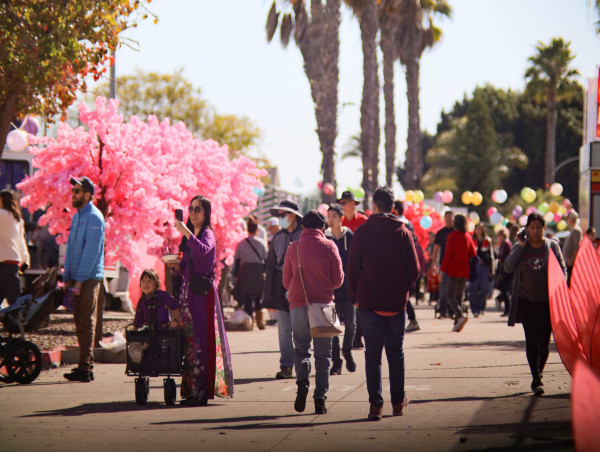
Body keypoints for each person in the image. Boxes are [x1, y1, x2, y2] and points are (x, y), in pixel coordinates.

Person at [346, 186, 420, 421]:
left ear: (374, 206)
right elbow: (415, 270)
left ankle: (375, 406)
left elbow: (352, 269)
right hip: (396, 304)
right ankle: (397, 403)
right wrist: (402, 289)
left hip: (368, 303)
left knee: (372, 355)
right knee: (395, 353)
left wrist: (355, 297)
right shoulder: (404, 232)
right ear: (393, 207)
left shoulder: (362, 232)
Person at [171, 195, 234, 405]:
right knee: (189, 342)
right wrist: (176, 268)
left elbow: (203, 250)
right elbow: (189, 264)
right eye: (191, 208)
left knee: (200, 341)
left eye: (198, 209)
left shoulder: (207, 234)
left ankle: (200, 392)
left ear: (206, 212)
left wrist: (185, 231)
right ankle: (190, 390)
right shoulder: (191, 236)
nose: (193, 212)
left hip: (202, 296)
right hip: (188, 295)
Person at [282, 210, 343, 415]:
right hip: (325, 305)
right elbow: (338, 280)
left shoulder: (294, 247)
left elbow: (285, 281)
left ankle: (302, 381)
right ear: (322, 227)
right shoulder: (330, 245)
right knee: (324, 355)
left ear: (303, 227)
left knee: (301, 349)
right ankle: (320, 398)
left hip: (298, 305)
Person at [504, 212, 567, 396]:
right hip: (526, 301)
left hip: (548, 302)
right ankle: (537, 379)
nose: (536, 231)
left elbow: (563, 269)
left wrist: (561, 285)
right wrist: (520, 246)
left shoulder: (552, 246)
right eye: (532, 227)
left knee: (544, 343)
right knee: (531, 340)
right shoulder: (521, 247)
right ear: (526, 229)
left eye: (539, 227)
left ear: (544, 228)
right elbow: (508, 267)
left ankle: (539, 370)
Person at [62, 177, 105, 383]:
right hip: (76, 278)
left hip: (88, 279)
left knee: (86, 322)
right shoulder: (77, 217)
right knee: (79, 321)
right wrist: (67, 277)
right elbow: (70, 249)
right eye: (73, 191)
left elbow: (91, 252)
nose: (73, 194)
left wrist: (78, 280)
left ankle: (85, 369)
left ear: (88, 195)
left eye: (77, 191)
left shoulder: (95, 217)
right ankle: (84, 365)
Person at [263, 199, 303, 379]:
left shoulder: (304, 235)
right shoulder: (277, 237)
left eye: (284, 215)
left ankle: (303, 364)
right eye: (280, 215)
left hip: (300, 284)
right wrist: (269, 291)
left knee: (301, 330)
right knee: (284, 330)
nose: (281, 219)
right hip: (280, 285)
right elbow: (270, 265)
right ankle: (286, 366)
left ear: (293, 216)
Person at [325, 203, 356, 375]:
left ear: (341, 218)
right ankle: (336, 363)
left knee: (351, 325)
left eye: (334, 216)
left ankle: (347, 352)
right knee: (333, 329)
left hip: (349, 290)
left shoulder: (350, 237)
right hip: (331, 292)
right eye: (328, 216)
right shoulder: (325, 237)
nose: (330, 220)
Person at [337, 191, 368, 349]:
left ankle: (358, 336)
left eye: (344, 203)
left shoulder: (364, 221)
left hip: (362, 268)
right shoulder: (339, 222)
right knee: (349, 303)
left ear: (353, 204)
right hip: (344, 269)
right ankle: (353, 334)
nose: (342, 206)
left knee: (360, 303)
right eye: (341, 203)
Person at [231, 215, 268, 330]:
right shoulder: (261, 243)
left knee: (246, 297)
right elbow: (266, 259)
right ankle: (260, 322)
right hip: (257, 272)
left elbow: (237, 261)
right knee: (258, 297)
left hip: (245, 272)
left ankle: (249, 323)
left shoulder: (240, 244)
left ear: (247, 229)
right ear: (257, 230)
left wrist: (236, 276)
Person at [440, 214, 476, 333]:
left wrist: (442, 269)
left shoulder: (452, 235)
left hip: (453, 270)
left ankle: (460, 316)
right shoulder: (467, 236)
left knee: (449, 295)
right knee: (459, 296)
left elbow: (448, 254)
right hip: (464, 270)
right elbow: (473, 253)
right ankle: (457, 323)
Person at [393, 200, 421, 332]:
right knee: (403, 293)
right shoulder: (408, 223)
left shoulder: (397, 223)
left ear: (395, 210)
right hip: (408, 262)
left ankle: (411, 319)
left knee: (400, 293)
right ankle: (411, 319)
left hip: (399, 263)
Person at [0, 189, 30, 306]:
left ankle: (20, 322)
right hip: (12, 261)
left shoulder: (2, 215)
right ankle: (18, 321)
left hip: (5, 261)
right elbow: (20, 241)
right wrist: (25, 259)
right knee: (12, 297)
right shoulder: (18, 219)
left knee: (14, 300)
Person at [431, 210, 455, 318]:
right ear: (444, 219)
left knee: (453, 288)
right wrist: (433, 264)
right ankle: (443, 311)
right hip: (443, 265)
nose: (449, 220)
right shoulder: (440, 233)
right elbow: (436, 250)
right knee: (443, 288)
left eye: (451, 218)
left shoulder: (456, 232)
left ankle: (452, 311)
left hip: (454, 264)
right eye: (447, 218)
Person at [469, 223, 495, 318]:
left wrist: (492, 270)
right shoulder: (472, 240)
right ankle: (474, 309)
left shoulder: (487, 241)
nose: (478, 231)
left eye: (480, 229)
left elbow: (492, 256)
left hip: (485, 267)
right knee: (473, 288)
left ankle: (482, 307)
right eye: (477, 229)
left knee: (484, 288)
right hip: (474, 267)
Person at [494, 227, 513, 317]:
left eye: (499, 235)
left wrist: (501, 261)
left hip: (506, 270)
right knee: (504, 290)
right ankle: (507, 309)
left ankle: (508, 309)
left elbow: (505, 257)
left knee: (505, 290)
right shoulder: (505, 243)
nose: (498, 237)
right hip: (505, 269)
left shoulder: (505, 244)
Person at [562, 210, 582, 286]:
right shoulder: (573, 230)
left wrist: (572, 260)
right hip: (568, 262)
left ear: (572, 219)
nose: (567, 220)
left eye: (568, 218)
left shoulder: (576, 230)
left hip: (571, 264)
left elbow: (577, 246)